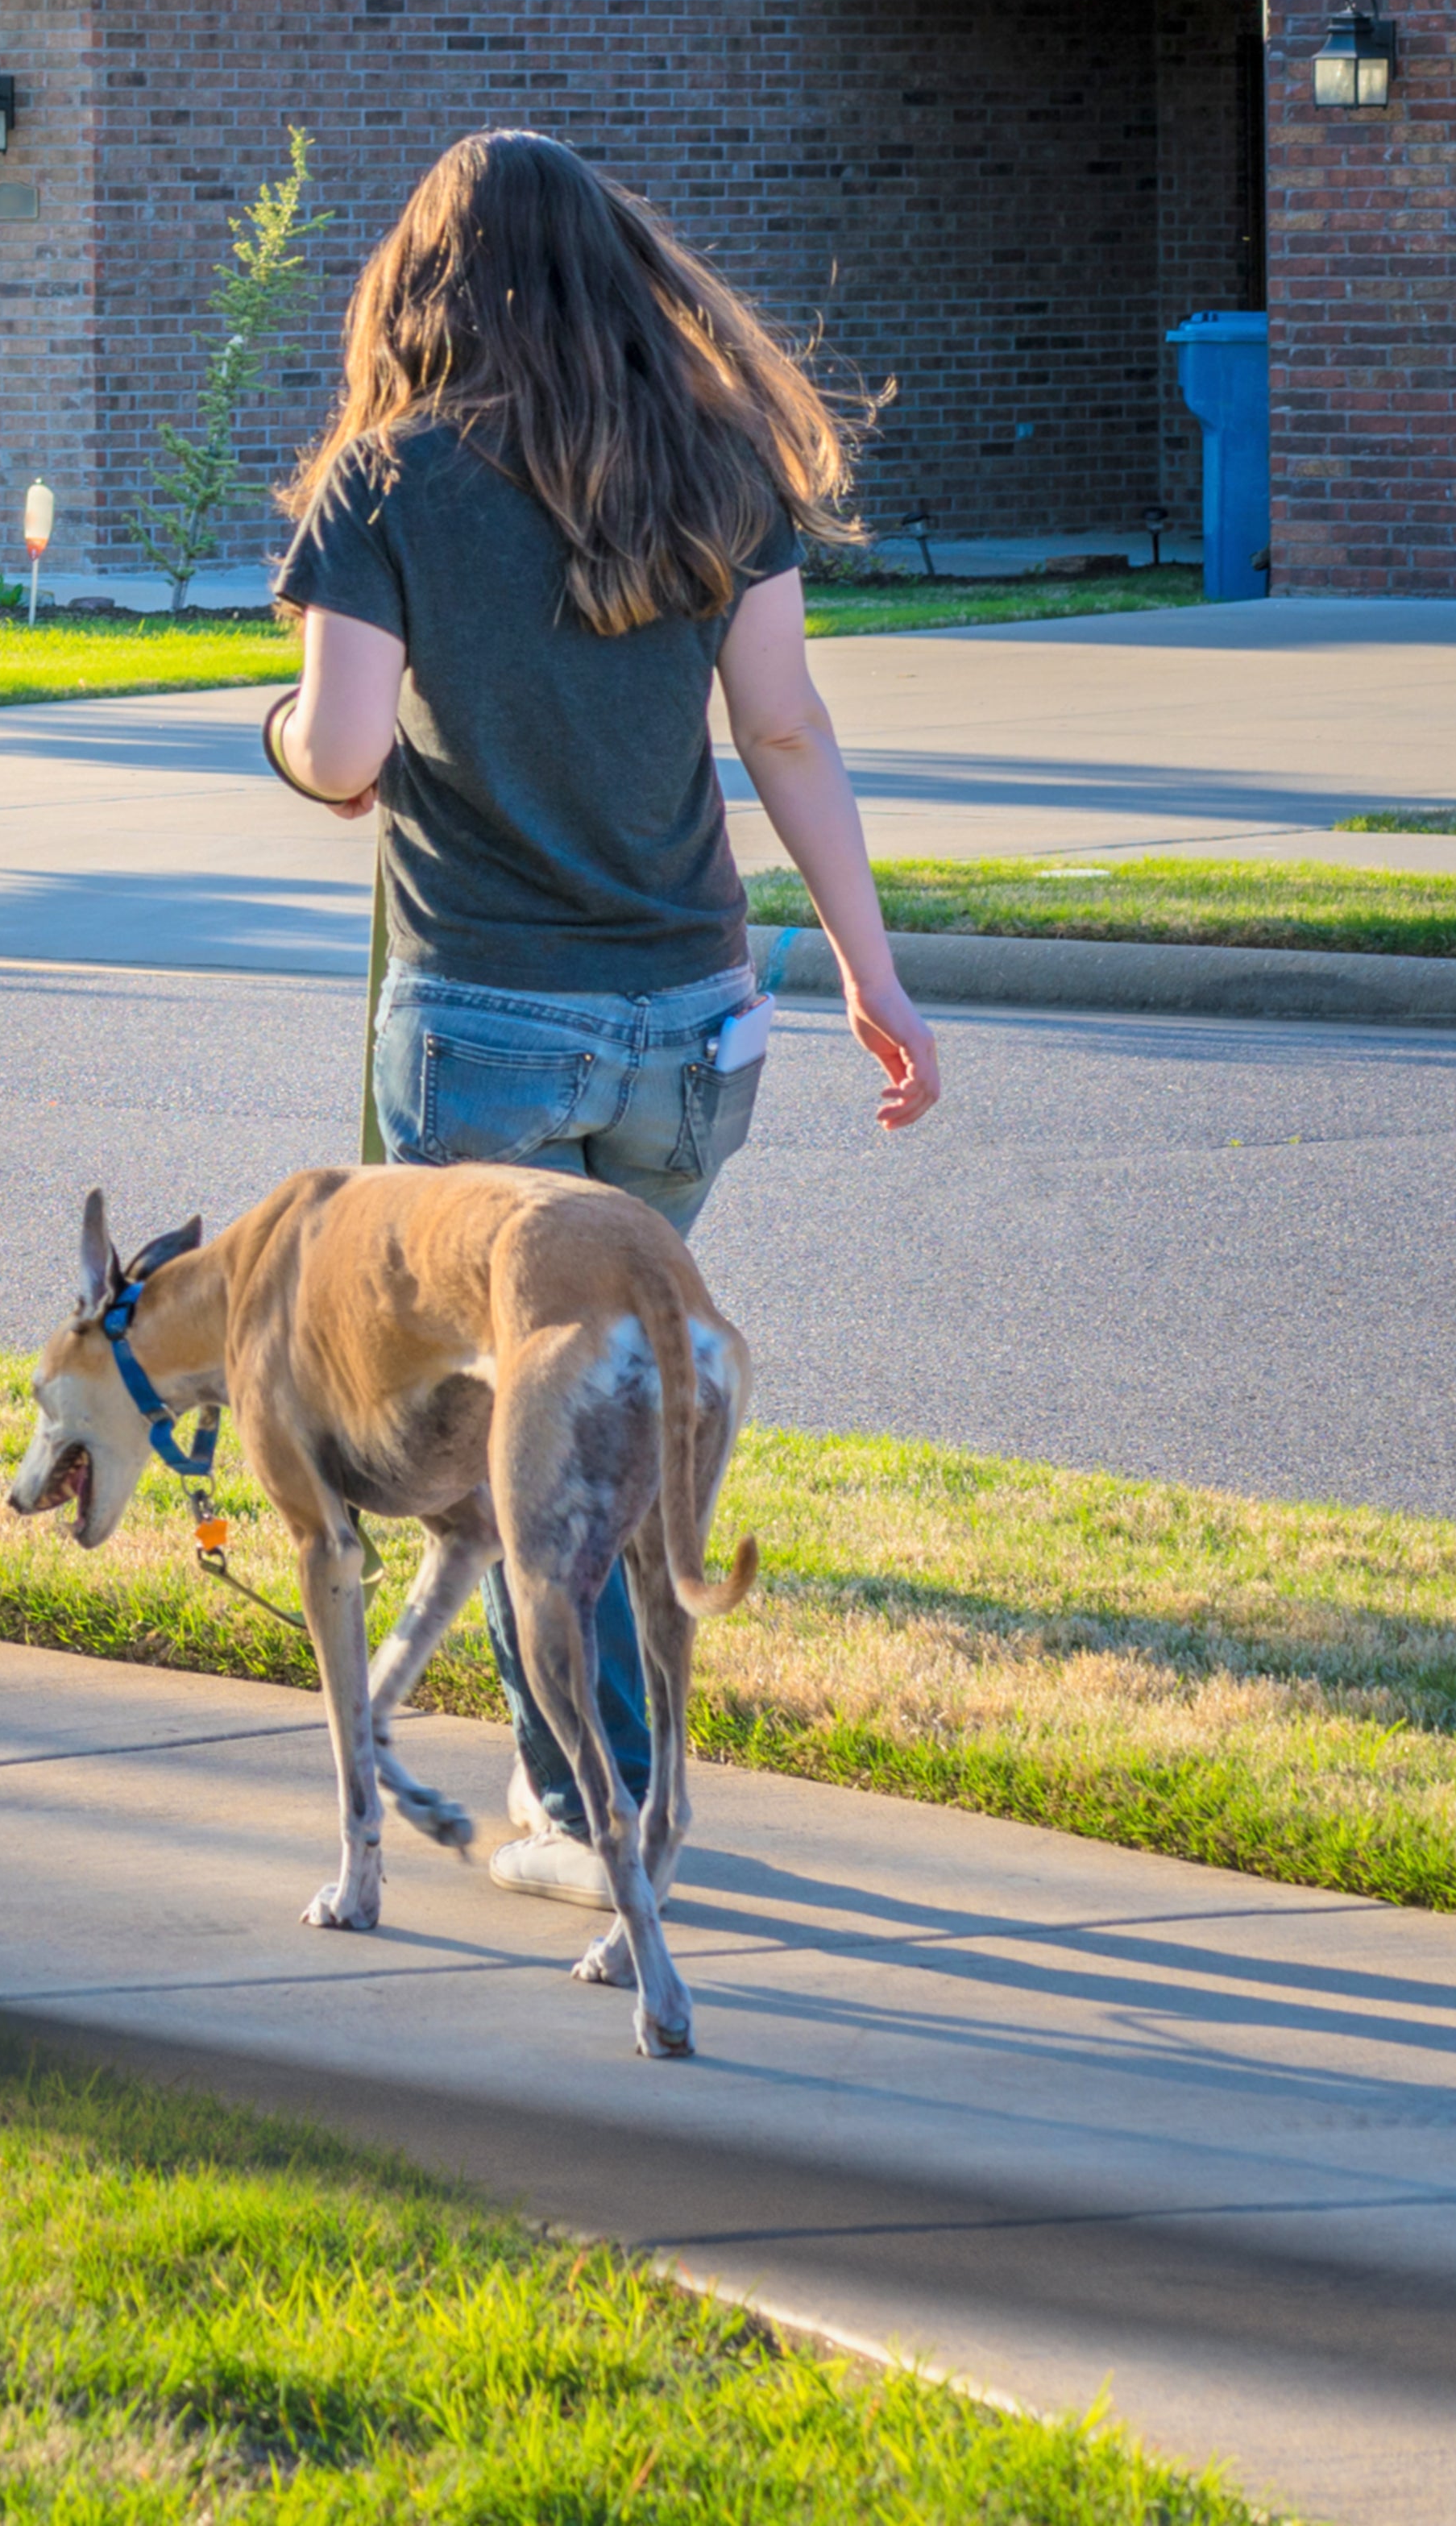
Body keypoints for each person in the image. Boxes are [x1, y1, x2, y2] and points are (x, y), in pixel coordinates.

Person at [260, 128, 938, 1910]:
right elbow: (783, 731)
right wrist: (875, 973)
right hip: (694, 1040)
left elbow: (337, 753)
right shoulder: (713, 461)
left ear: (422, 286)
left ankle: (590, 1798)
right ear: (624, 276)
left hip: (482, 1022)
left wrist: (277, 733)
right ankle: (600, 1775)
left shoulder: (382, 480)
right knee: (602, 1418)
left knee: (522, 1442)